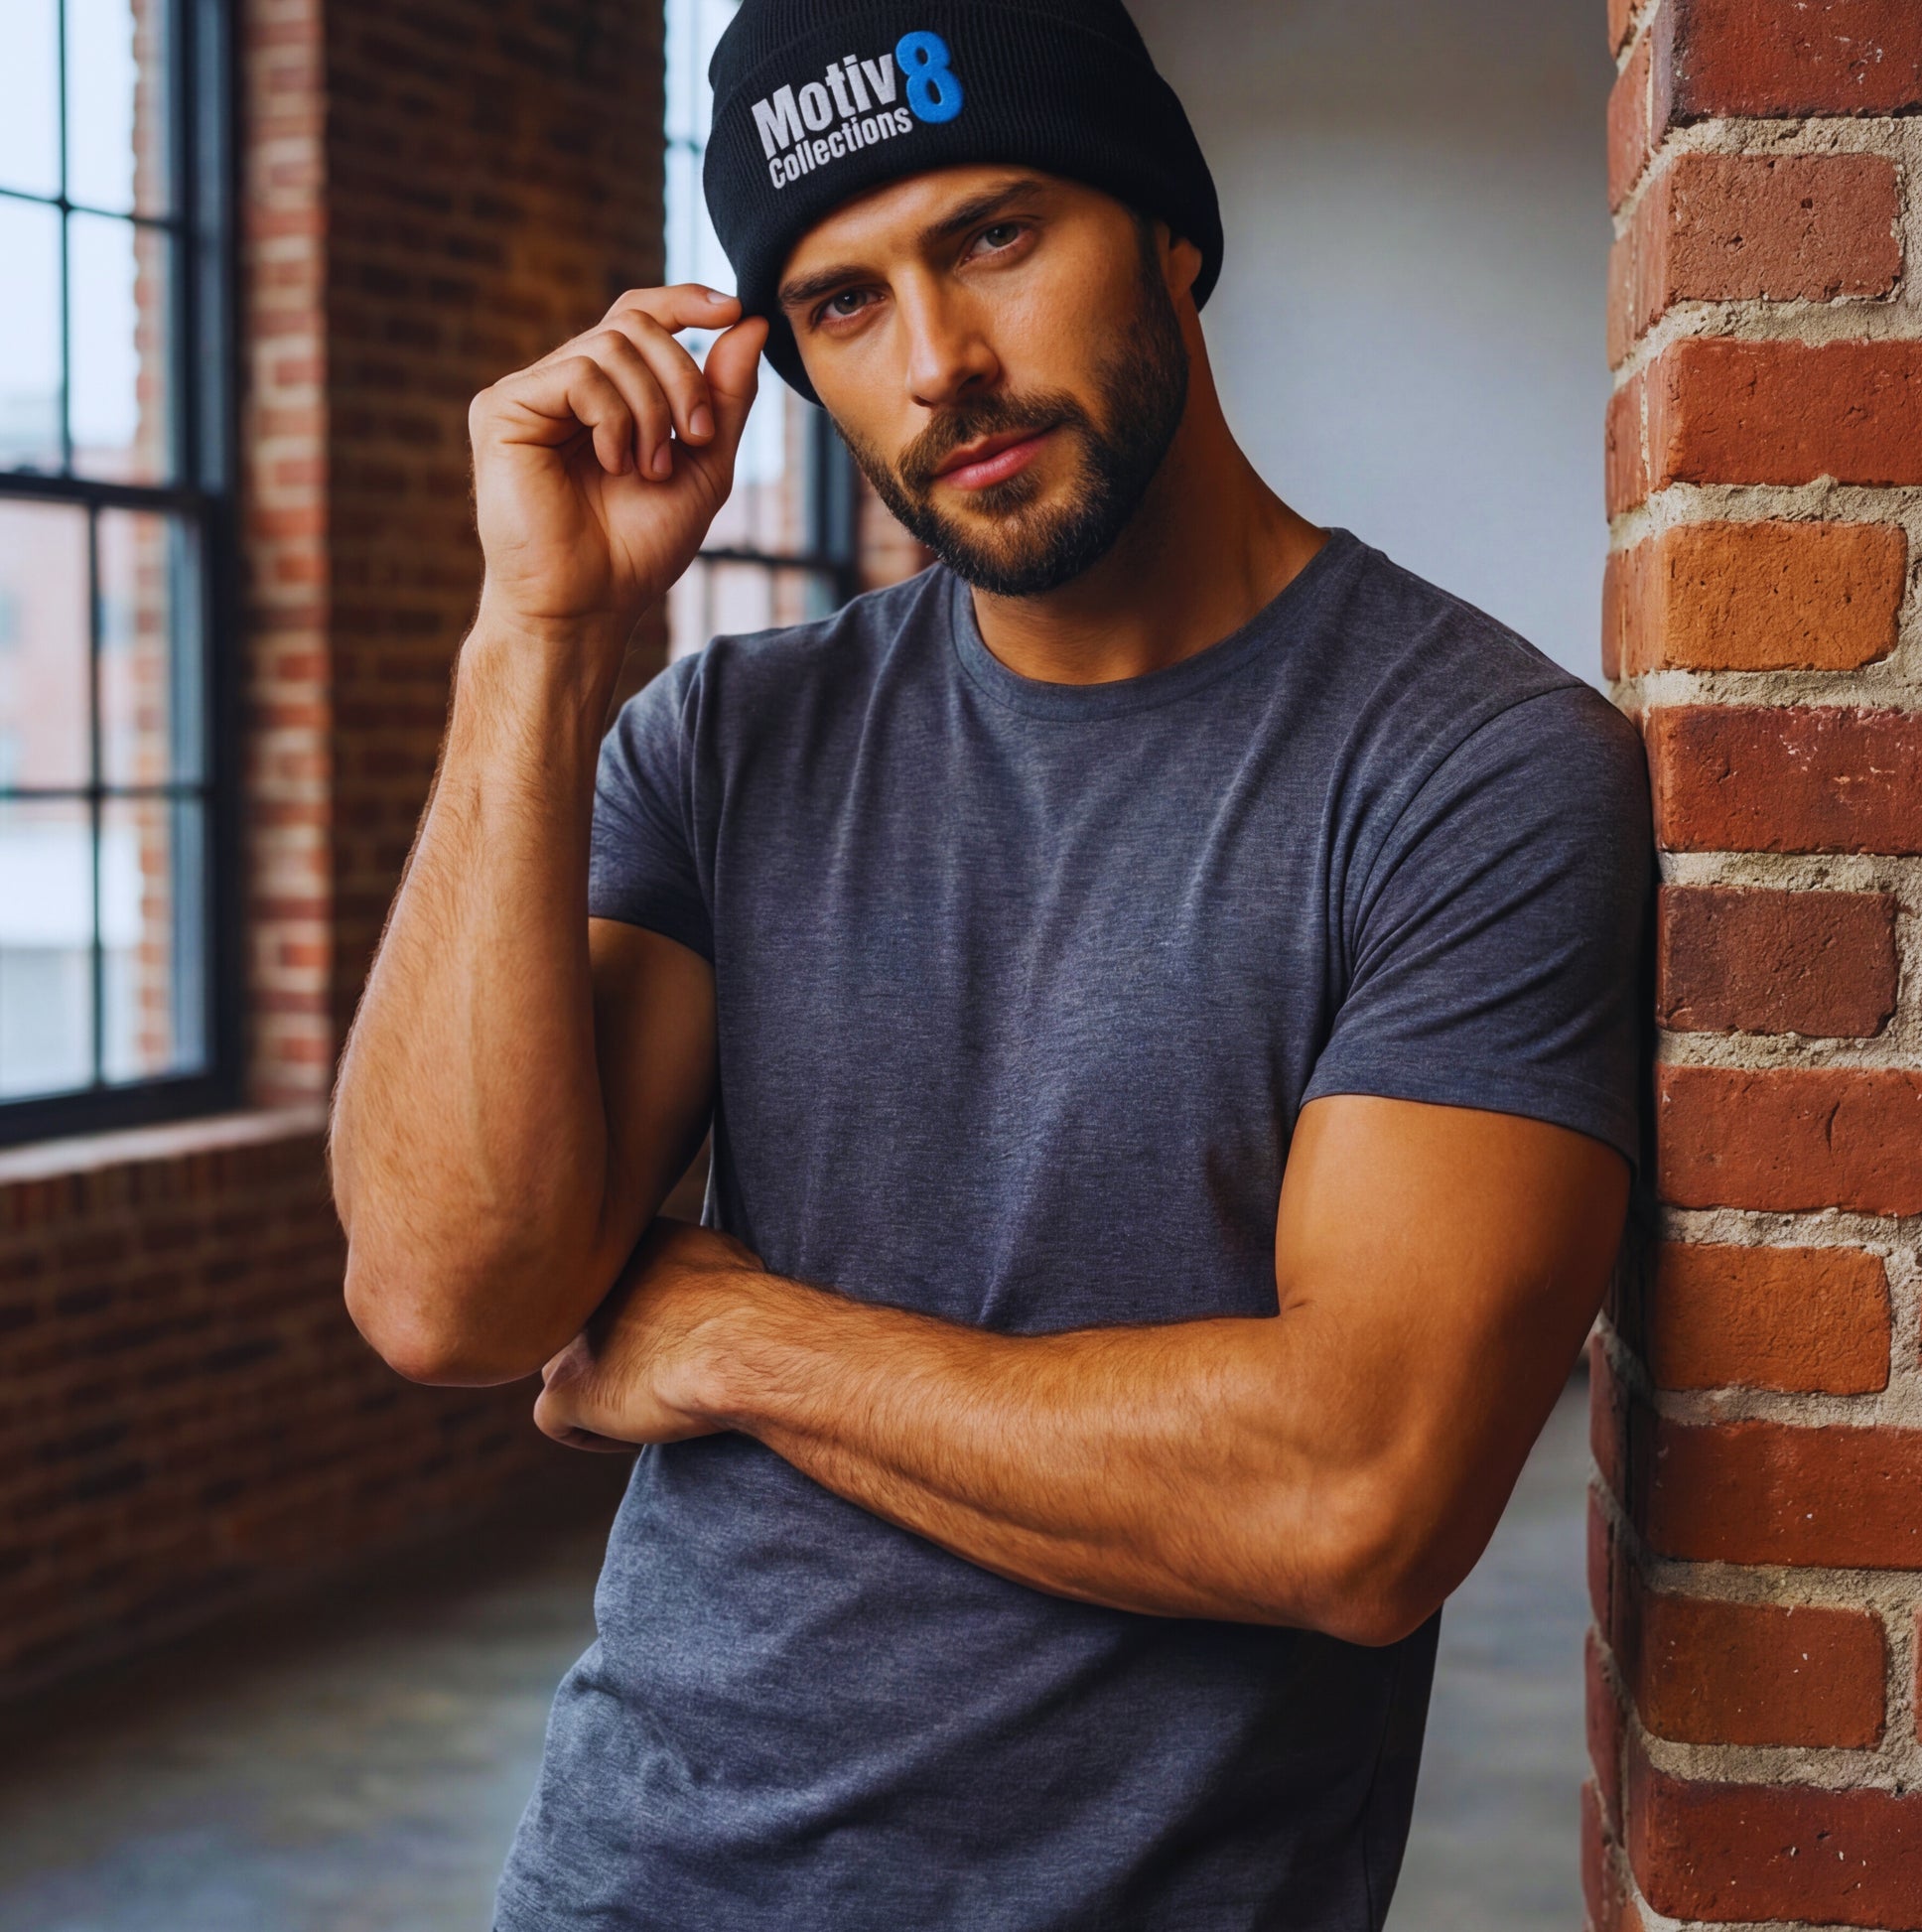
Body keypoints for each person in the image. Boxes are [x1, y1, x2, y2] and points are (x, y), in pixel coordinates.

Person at [329, 1, 1651, 1925]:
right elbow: (453, 1291)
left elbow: (1356, 1495)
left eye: (996, 236)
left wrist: (733, 1335)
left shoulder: (1473, 768)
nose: (940, 363)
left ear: (1167, 232)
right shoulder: (718, 741)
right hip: (635, 1879)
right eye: (844, 305)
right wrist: (537, 637)